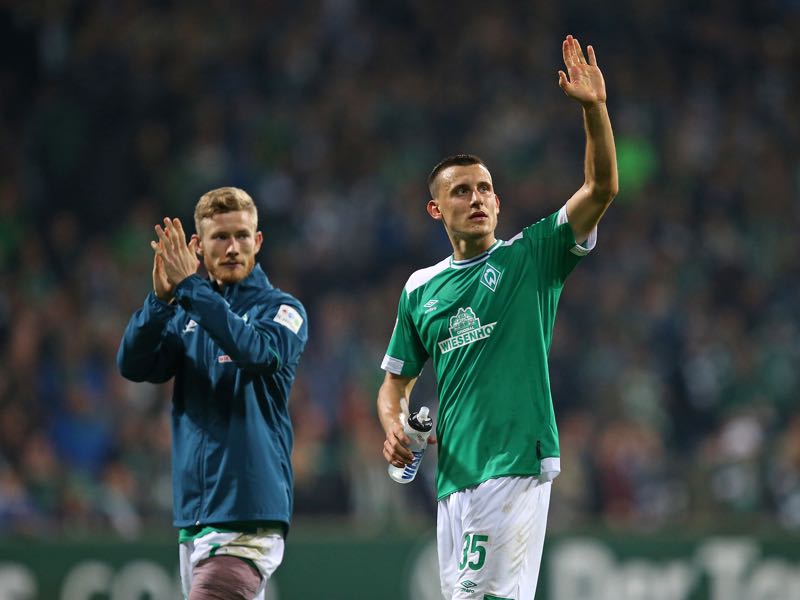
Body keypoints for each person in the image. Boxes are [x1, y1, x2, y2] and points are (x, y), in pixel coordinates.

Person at [377, 35, 618, 599]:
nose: (478, 198)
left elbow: (601, 187)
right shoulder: (420, 289)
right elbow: (394, 384)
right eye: (462, 191)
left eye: (486, 188)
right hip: (453, 478)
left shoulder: (530, 257)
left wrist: (595, 110)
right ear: (437, 209)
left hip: (514, 460)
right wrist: (394, 426)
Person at [117, 187, 308, 600]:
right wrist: (160, 301)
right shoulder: (186, 311)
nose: (233, 247)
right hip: (194, 515)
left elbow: (256, 352)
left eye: (242, 235)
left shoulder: (283, 310)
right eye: (220, 237)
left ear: (258, 241)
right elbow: (133, 365)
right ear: (198, 248)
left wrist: (190, 289)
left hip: (247, 512)